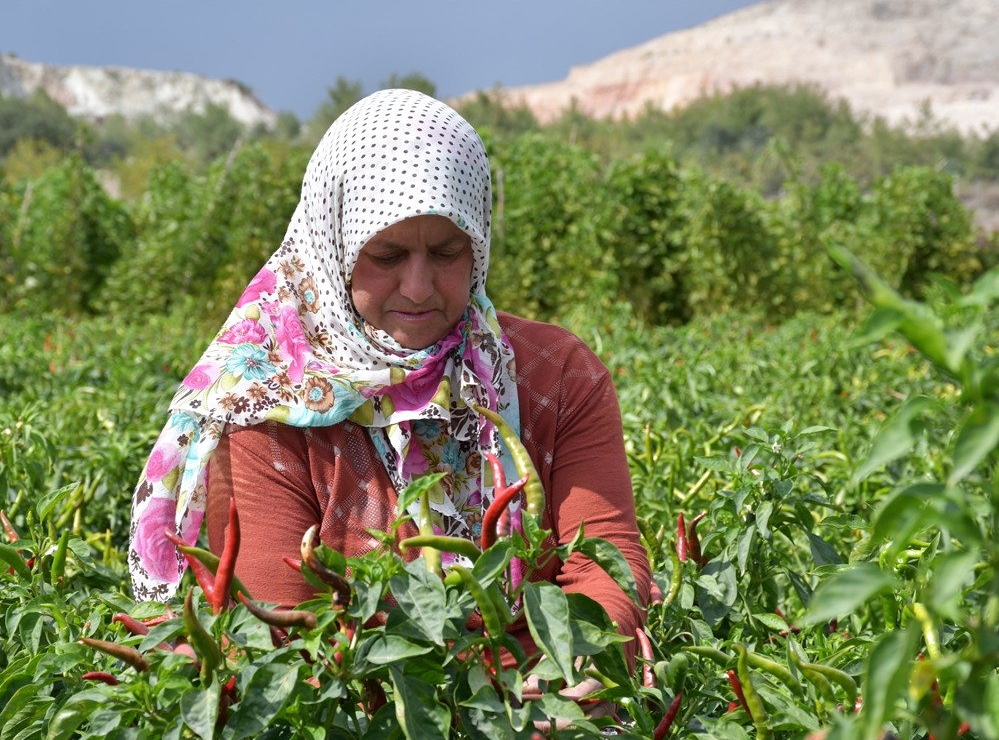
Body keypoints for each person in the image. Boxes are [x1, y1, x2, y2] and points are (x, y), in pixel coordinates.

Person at [128, 88, 650, 670]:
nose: (420, 287)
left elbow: (605, 563)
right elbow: (281, 645)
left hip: (544, 717)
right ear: (337, 250)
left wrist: (574, 672)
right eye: (387, 255)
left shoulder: (555, 376)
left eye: (448, 252)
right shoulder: (267, 406)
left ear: (478, 249)